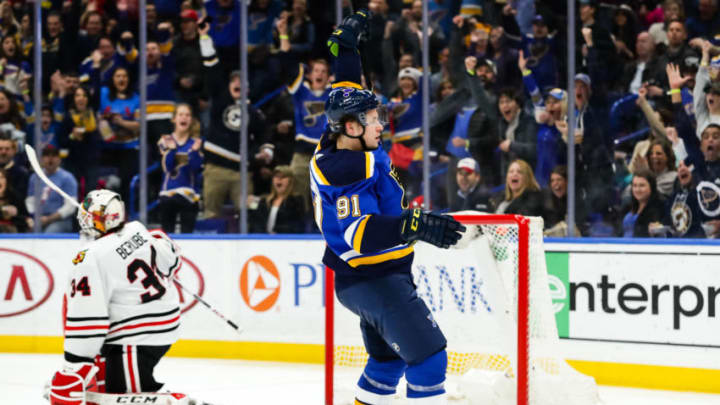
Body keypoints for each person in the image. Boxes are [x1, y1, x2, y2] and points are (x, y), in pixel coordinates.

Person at [315, 10, 464, 404]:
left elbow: (345, 88)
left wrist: (346, 50)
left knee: (386, 364)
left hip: (378, 278)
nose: (380, 124)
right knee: (429, 360)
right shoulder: (346, 170)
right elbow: (358, 234)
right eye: (372, 119)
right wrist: (411, 223)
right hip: (372, 278)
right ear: (351, 127)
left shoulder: (339, 139)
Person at [47, 189, 188, 403]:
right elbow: (171, 259)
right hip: (164, 321)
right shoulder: (137, 230)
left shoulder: (90, 257)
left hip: (136, 337)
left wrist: (75, 364)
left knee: (127, 396)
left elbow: (87, 314)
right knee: (111, 384)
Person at [157, 104, 203, 234]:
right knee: (167, 236)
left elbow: (196, 168)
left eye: (187, 115)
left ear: (192, 120)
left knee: (187, 234)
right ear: (174, 119)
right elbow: (168, 168)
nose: (184, 118)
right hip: (168, 193)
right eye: (181, 114)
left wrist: (194, 152)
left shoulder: (196, 143)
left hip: (189, 195)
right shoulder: (165, 140)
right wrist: (171, 150)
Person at [25, 145, 78, 233]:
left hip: (60, 220)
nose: (50, 159)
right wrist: (35, 216)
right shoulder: (35, 177)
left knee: (50, 233)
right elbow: (30, 201)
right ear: (41, 159)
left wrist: (49, 219)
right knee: (27, 233)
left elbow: (70, 206)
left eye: (54, 156)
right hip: (39, 219)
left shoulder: (67, 178)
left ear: (59, 159)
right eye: (47, 155)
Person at [248, 165, 305, 234]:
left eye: (283, 177)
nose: (279, 179)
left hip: (286, 240)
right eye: (276, 176)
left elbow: (296, 225)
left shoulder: (296, 201)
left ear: (290, 181)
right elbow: (256, 222)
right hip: (265, 240)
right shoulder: (265, 201)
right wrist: (250, 206)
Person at [620, 170, 664, 237]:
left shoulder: (659, 208)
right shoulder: (628, 206)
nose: (637, 189)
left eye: (642, 185)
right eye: (634, 185)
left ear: (651, 187)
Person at [0, 168, 30, 232]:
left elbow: (25, 218)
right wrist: (3, 210)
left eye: (2, 177)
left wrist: (15, 215)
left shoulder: (15, 197)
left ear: (7, 181)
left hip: (12, 232)